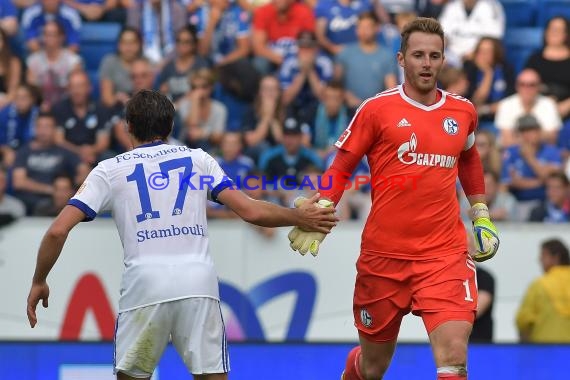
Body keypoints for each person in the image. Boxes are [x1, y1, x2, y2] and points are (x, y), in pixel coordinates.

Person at [26, 89, 337, 380]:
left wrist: (39, 280)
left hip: (144, 288)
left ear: (128, 127)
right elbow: (251, 211)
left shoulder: (109, 170)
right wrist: (299, 216)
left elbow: (57, 231)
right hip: (198, 284)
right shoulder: (198, 159)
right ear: (171, 125)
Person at [290, 18, 500, 380]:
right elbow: (342, 165)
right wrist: (323, 205)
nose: (427, 63)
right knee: (373, 367)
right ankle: (354, 368)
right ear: (401, 59)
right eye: (418, 55)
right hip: (384, 257)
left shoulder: (462, 111)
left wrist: (480, 213)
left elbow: (469, 157)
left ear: (443, 59)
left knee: (454, 355)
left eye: (435, 56)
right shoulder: (376, 109)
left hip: (444, 254)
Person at [516, 239, 570, 343]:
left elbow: (523, 321)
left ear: (556, 257)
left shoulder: (539, 285)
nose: (539, 259)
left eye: (543, 255)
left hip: (545, 351)